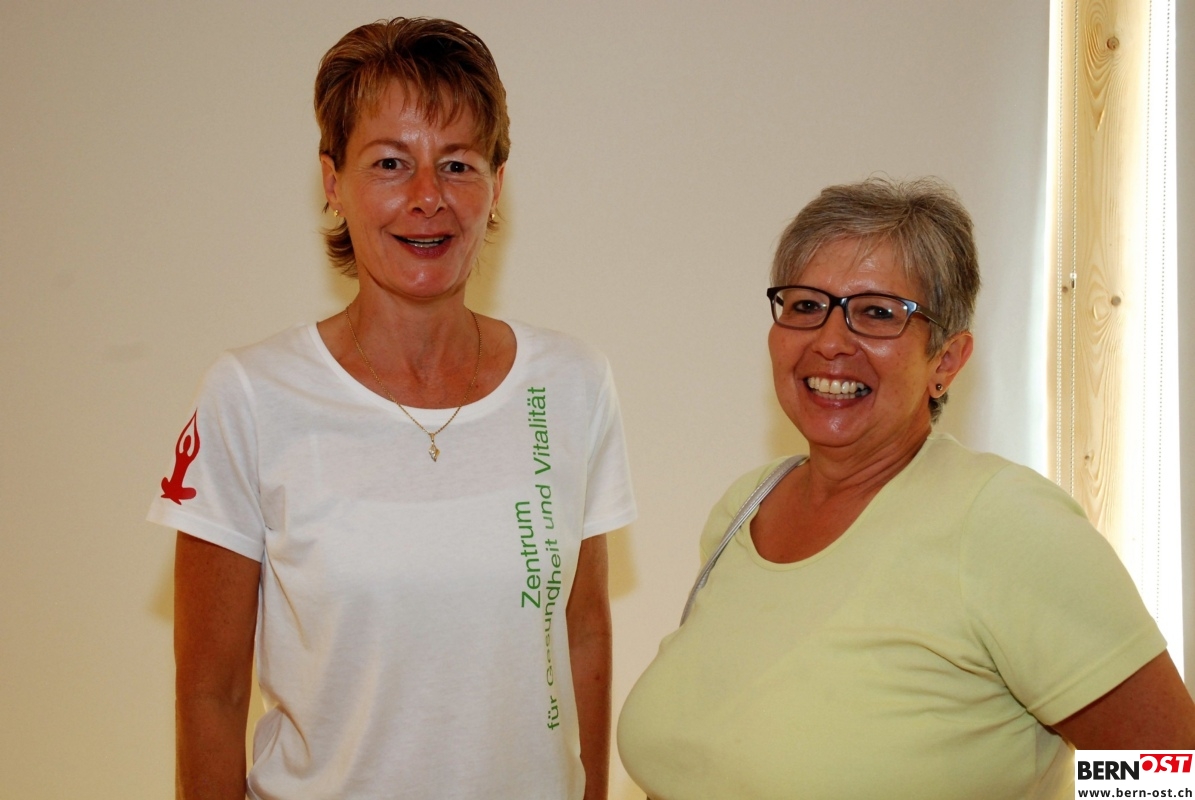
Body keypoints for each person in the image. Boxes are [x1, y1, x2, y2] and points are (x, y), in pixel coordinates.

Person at [148, 17, 635, 799]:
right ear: (333, 182)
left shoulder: (572, 383)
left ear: (496, 186)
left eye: (457, 164)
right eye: (389, 163)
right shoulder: (249, 395)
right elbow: (211, 693)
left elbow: (582, 633)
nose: (426, 197)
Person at [617, 177, 1195, 799]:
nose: (830, 341)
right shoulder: (748, 506)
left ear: (945, 360)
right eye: (806, 306)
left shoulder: (1003, 523)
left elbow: (1168, 774)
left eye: (877, 313)